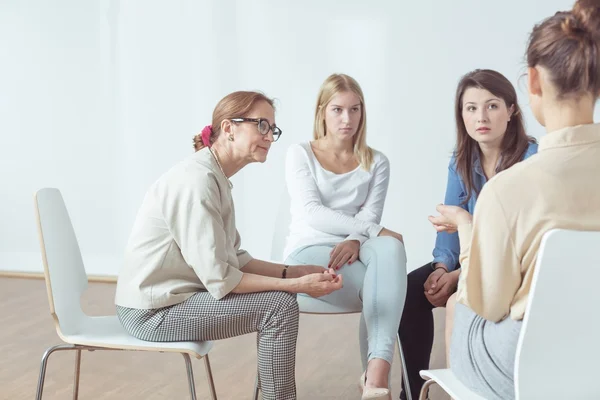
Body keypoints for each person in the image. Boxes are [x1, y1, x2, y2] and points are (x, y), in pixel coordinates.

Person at [114, 90, 343, 400]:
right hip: (152, 311)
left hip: (169, 300)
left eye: (272, 128)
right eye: (261, 125)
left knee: (279, 301)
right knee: (278, 306)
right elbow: (222, 279)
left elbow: (235, 258)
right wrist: (298, 285)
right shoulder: (198, 181)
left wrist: (293, 271)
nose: (269, 137)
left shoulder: (214, 177)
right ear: (228, 128)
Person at [431, 1, 600, 398]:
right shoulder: (471, 168)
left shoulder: (509, 190)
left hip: (530, 360)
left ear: (533, 83)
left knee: (464, 306)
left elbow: (489, 304)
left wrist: (467, 226)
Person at [398, 69, 538, 400]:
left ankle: (469, 387)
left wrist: (460, 273)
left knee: (455, 297)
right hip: (466, 261)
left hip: (511, 271)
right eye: (470, 108)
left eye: (492, 106)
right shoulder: (460, 161)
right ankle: (413, 393)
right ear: (461, 115)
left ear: (511, 110)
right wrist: (442, 270)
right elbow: (449, 225)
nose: (481, 117)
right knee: (409, 291)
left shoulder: (530, 161)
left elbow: (514, 243)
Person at [284, 73, 407, 400]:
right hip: (307, 252)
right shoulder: (300, 153)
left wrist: (358, 237)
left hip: (358, 251)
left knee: (390, 250)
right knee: (385, 281)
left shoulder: (377, 161)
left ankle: (375, 376)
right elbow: (312, 212)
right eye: (338, 109)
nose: (347, 118)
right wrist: (371, 232)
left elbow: (369, 216)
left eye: (355, 110)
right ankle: (376, 379)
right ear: (322, 111)